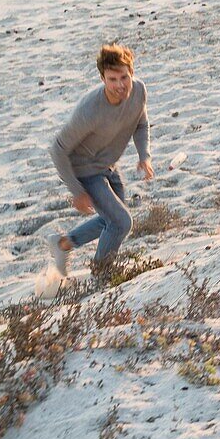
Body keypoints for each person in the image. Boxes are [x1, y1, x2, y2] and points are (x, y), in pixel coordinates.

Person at [46, 44, 153, 276]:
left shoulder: (138, 92)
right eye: (112, 79)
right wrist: (77, 190)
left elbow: (141, 123)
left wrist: (144, 155)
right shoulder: (90, 110)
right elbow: (58, 149)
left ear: (131, 73)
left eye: (124, 77)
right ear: (103, 78)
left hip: (108, 166)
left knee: (111, 221)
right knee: (121, 222)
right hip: (84, 170)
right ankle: (101, 274)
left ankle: (63, 244)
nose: (120, 85)